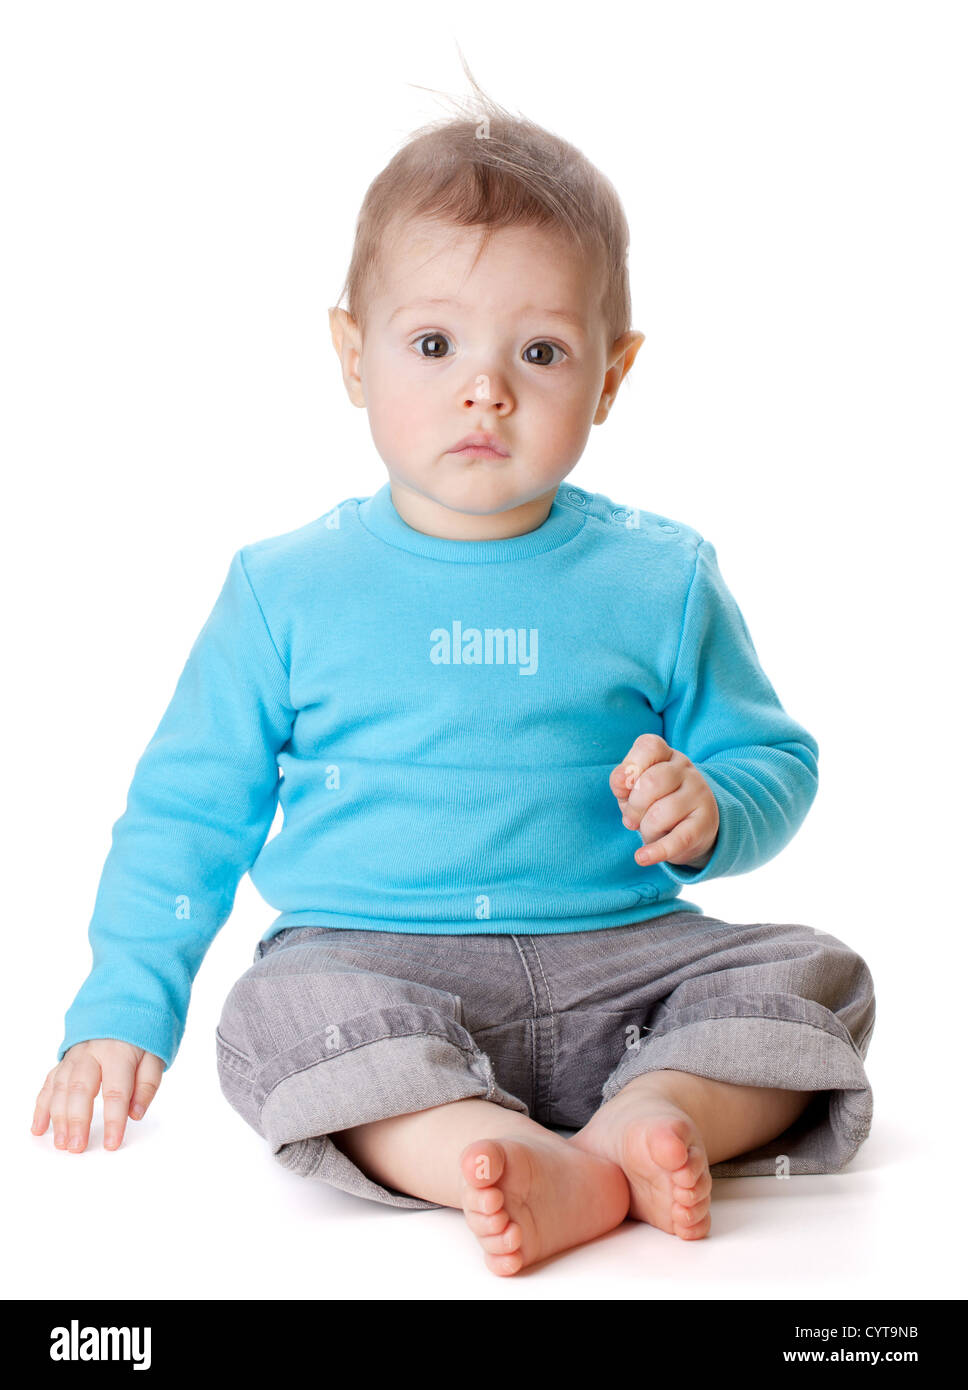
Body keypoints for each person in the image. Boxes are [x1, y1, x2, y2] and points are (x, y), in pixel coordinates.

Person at [32, 83, 875, 1278]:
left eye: (540, 351)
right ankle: (476, 1144)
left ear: (612, 374)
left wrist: (713, 807)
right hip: (376, 973)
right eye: (435, 344)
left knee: (813, 973)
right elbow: (188, 813)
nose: (486, 388)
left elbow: (771, 759)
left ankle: (657, 1109)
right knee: (270, 1016)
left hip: (621, 965)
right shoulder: (285, 587)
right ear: (352, 355)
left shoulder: (659, 575)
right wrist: (123, 1005)